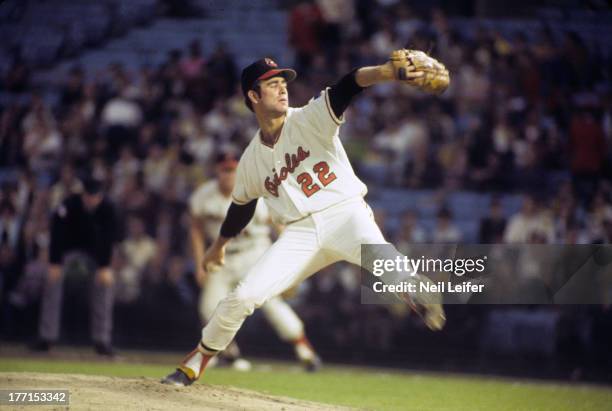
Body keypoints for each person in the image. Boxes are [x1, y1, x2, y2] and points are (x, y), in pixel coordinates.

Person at [162, 53, 446, 386]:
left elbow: (348, 85)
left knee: (386, 263)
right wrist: (218, 246)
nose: (282, 90)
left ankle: (417, 292)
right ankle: (196, 360)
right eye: (272, 85)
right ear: (253, 97)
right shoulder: (251, 159)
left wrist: (385, 72)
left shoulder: (309, 118)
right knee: (243, 297)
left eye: (283, 83)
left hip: (345, 214)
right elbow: (242, 207)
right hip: (300, 233)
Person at [189, 150, 321, 371]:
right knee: (209, 306)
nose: (229, 175)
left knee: (271, 303)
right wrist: (199, 262)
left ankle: (304, 348)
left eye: (232, 170)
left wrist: (288, 260)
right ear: (217, 171)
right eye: (225, 170)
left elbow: (280, 225)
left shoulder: (257, 190)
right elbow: (196, 230)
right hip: (222, 258)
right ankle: (229, 353)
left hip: (255, 254)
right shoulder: (203, 195)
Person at [31, 177, 120, 356]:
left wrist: (105, 266)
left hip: (96, 256)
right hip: (68, 252)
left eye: (96, 196)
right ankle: (47, 337)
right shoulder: (69, 205)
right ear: (83, 194)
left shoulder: (109, 208)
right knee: (52, 279)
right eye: (89, 195)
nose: (92, 199)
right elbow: (56, 233)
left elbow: (109, 239)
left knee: (106, 283)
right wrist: (54, 263)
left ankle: (102, 340)